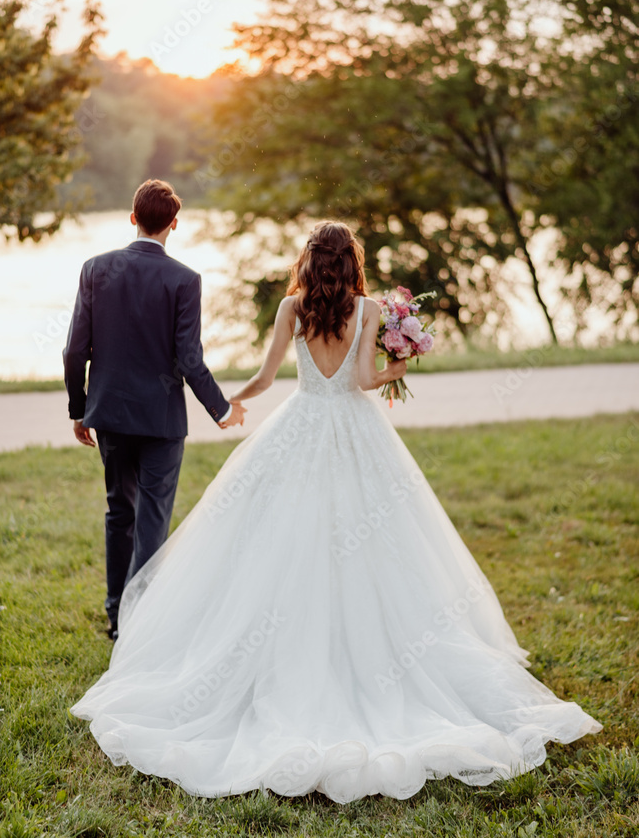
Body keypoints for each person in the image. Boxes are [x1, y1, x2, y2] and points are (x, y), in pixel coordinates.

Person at [71, 219, 601, 803]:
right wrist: (400, 366)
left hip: (297, 427)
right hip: (356, 432)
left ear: (309, 259)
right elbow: (368, 379)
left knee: (273, 541)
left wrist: (230, 406)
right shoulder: (370, 309)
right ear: (352, 261)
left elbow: (267, 376)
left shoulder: (291, 308)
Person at [63, 179, 246, 642]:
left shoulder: (94, 269)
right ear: (174, 224)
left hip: (108, 415)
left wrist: (79, 408)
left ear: (132, 217)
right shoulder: (184, 279)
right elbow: (188, 358)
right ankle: (142, 621)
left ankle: (116, 616)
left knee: (118, 512)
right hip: (162, 422)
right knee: (152, 519)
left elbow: (73, 351)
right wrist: (222, 410)